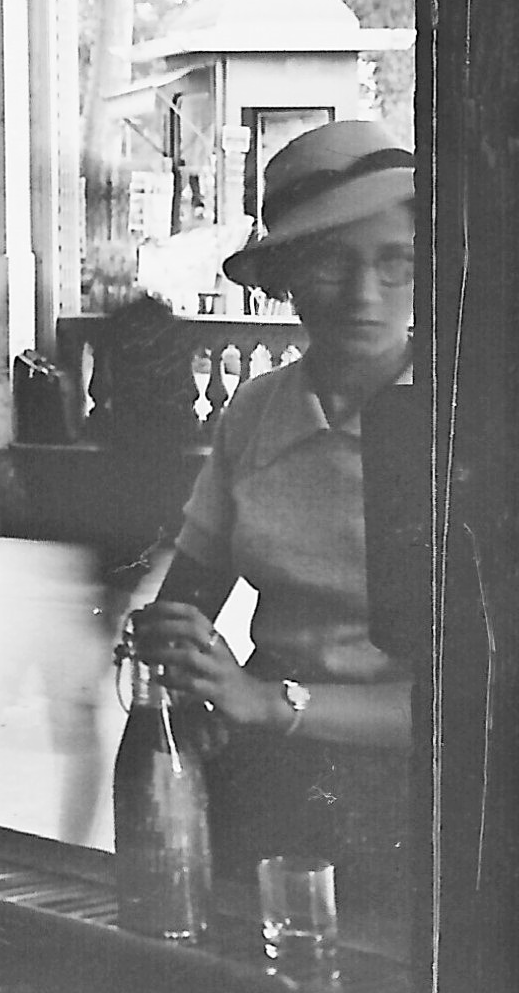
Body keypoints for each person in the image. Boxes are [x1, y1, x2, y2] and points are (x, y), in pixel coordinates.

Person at [128, 115, 416, 927]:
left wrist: (265, 702)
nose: (364, 295)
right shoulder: (257, 413)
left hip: (415, 789)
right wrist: (182, 672)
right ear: (285, 277)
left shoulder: (464, 424)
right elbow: (187, 597)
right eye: (330, 261)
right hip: (263, 771)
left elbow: (473, 704)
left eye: (395, 263)